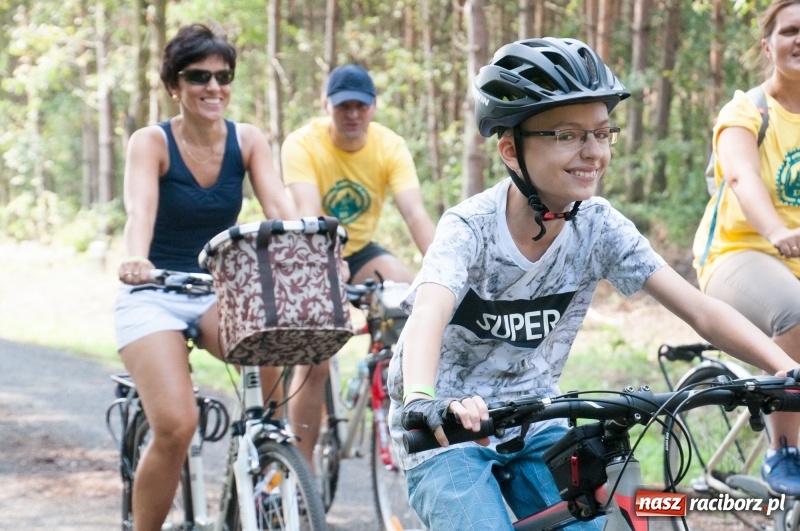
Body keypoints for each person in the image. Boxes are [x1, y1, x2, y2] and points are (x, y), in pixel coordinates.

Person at [385, 37, 800, 531]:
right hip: (445, 428)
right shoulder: (469, 228)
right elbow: (429, 310)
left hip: (534, 419)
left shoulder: (599, 227)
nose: (594, 152)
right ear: (510, 150)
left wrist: (787, 370)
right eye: (568, 135)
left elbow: (700, 310)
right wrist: (422, 398)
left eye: (603, 133)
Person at [114, 23, 296, 531]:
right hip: (152, 291)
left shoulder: (248, 140)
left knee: (272, 370)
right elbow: (139, 212)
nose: (213, 87)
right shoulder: (151, 142)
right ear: (174, 84)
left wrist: (315, 254)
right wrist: (135, 258)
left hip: (215, 290)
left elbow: (279, 210)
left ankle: (264, 475)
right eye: (199, 76)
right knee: (177, 424)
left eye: (223, 76)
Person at [280, 63, 436, 465]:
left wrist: (443, 273)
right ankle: (303, 471)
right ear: (326, 106)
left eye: (360, 106)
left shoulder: (389, 146)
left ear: (373, 107)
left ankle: (379, 375)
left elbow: (415, 214)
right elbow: (310, 215)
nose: (352, 115)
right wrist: (330, 262)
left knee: (411, 301)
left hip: (362, 250)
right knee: (315, 358)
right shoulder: (302, 144)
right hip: (312, 249)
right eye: (343, 106)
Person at [692, 0, 800, 497]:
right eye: (790, 31)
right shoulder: (747, 111)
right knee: (794, 310)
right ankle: (784, 449)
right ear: (768, 46)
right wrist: (777, 231)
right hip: (736, 254)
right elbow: (741, 176)